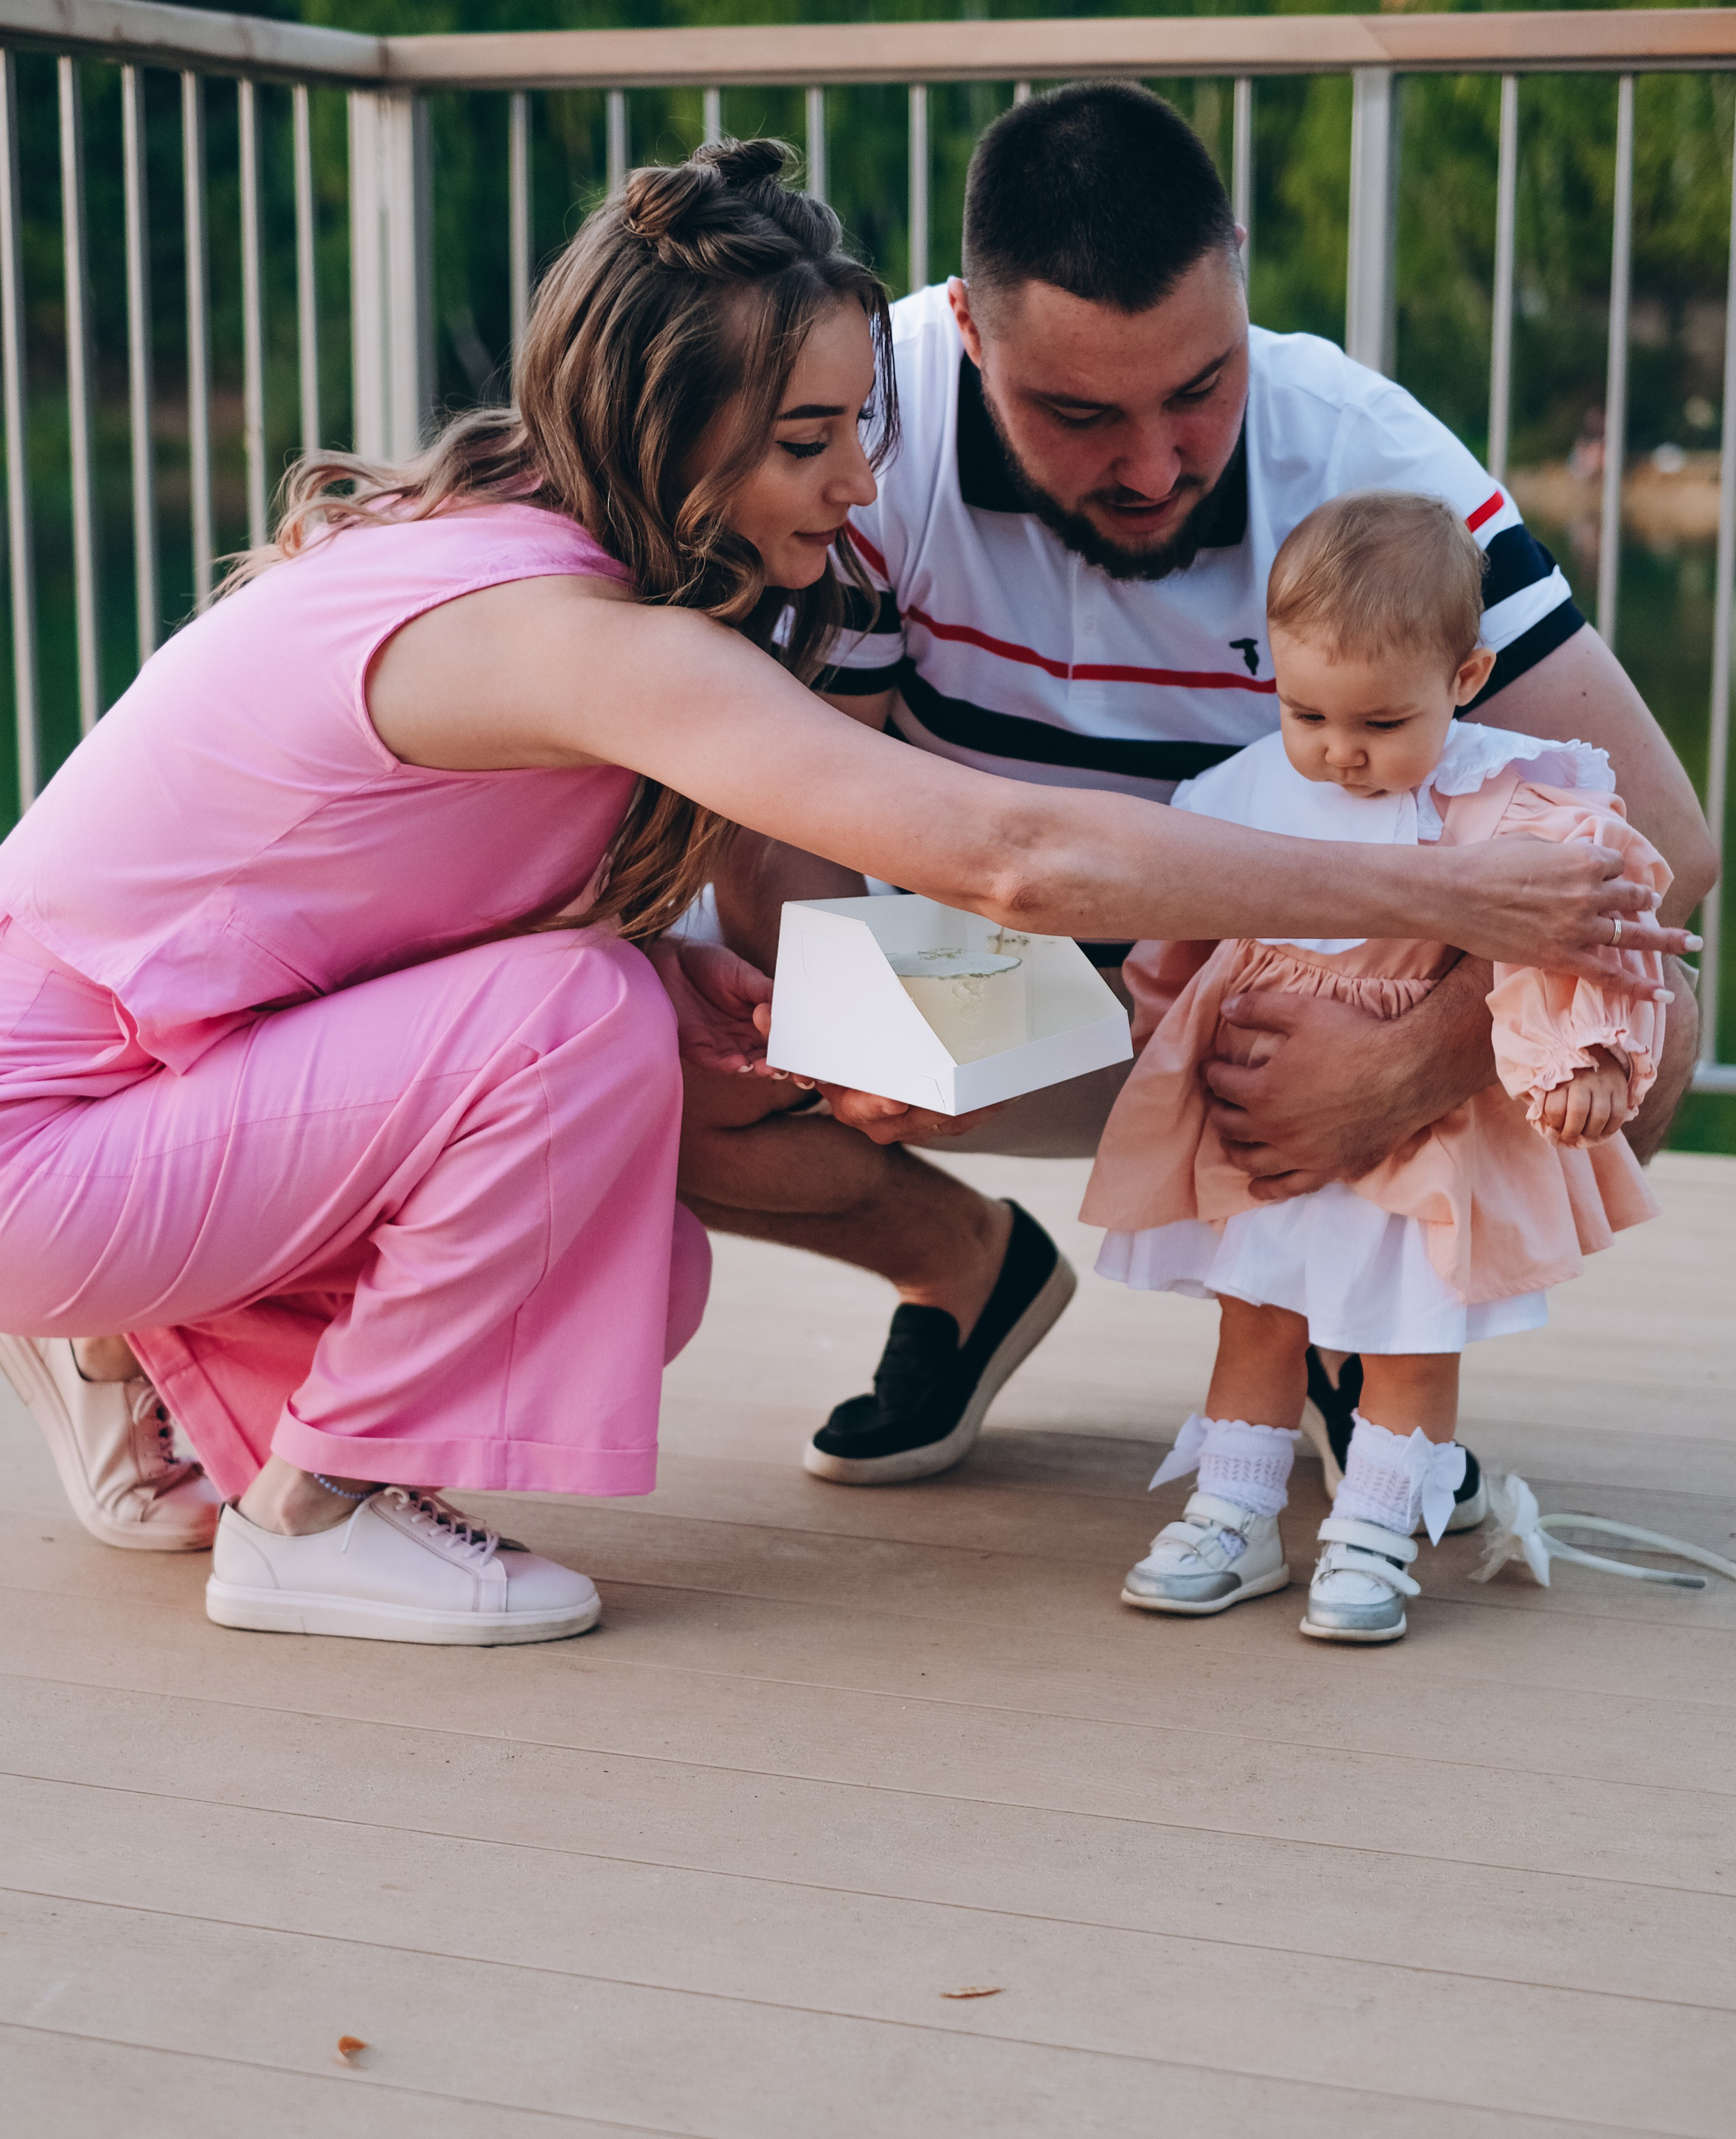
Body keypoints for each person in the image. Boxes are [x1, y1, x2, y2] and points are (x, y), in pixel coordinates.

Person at [2, 142, 1666, 1636]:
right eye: (808, 440)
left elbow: (377, 911)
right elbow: (1008, 855)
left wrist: (677, 983)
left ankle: (156, 1339)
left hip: (162, 1067)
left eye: (860, 427)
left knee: (628, 1211)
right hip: (55, 1111)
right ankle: (306, 1512)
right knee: (571, 1019)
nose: (862, 484)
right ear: (672, 430)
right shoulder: (568, 633)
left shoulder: (558, 562)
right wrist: (1466, 905)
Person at [673, 81, 1715, 1493]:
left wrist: (1411, 1058)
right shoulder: (871, 424)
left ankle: (1357, 1332)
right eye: (1079, 412)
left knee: (1644, 1021)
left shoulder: (1363, 455)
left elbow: (1657, 840)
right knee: (636, 1038)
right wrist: (860, 1012)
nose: (1155, 465)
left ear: (1235, 270)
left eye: (1199, 386)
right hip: (1000, 992)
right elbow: (768, 816)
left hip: (1298, 1013)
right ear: (970, 335)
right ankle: (964, 1270)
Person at [1084, 490, 1665, 1643]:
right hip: (1260, 1088)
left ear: (1465, 676)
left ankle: (1375, 1526)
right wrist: (1158, 1036)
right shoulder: (1247, 788)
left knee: (1408, 1332)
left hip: (1421, 1118)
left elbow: (1594, 914)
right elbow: (1176, 932)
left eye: (1382, 724)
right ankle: (1234, 1510)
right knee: (1255, 1311)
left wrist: (1586, 1042)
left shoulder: (1513, 792)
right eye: (1307, 712)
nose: (1340, 754)